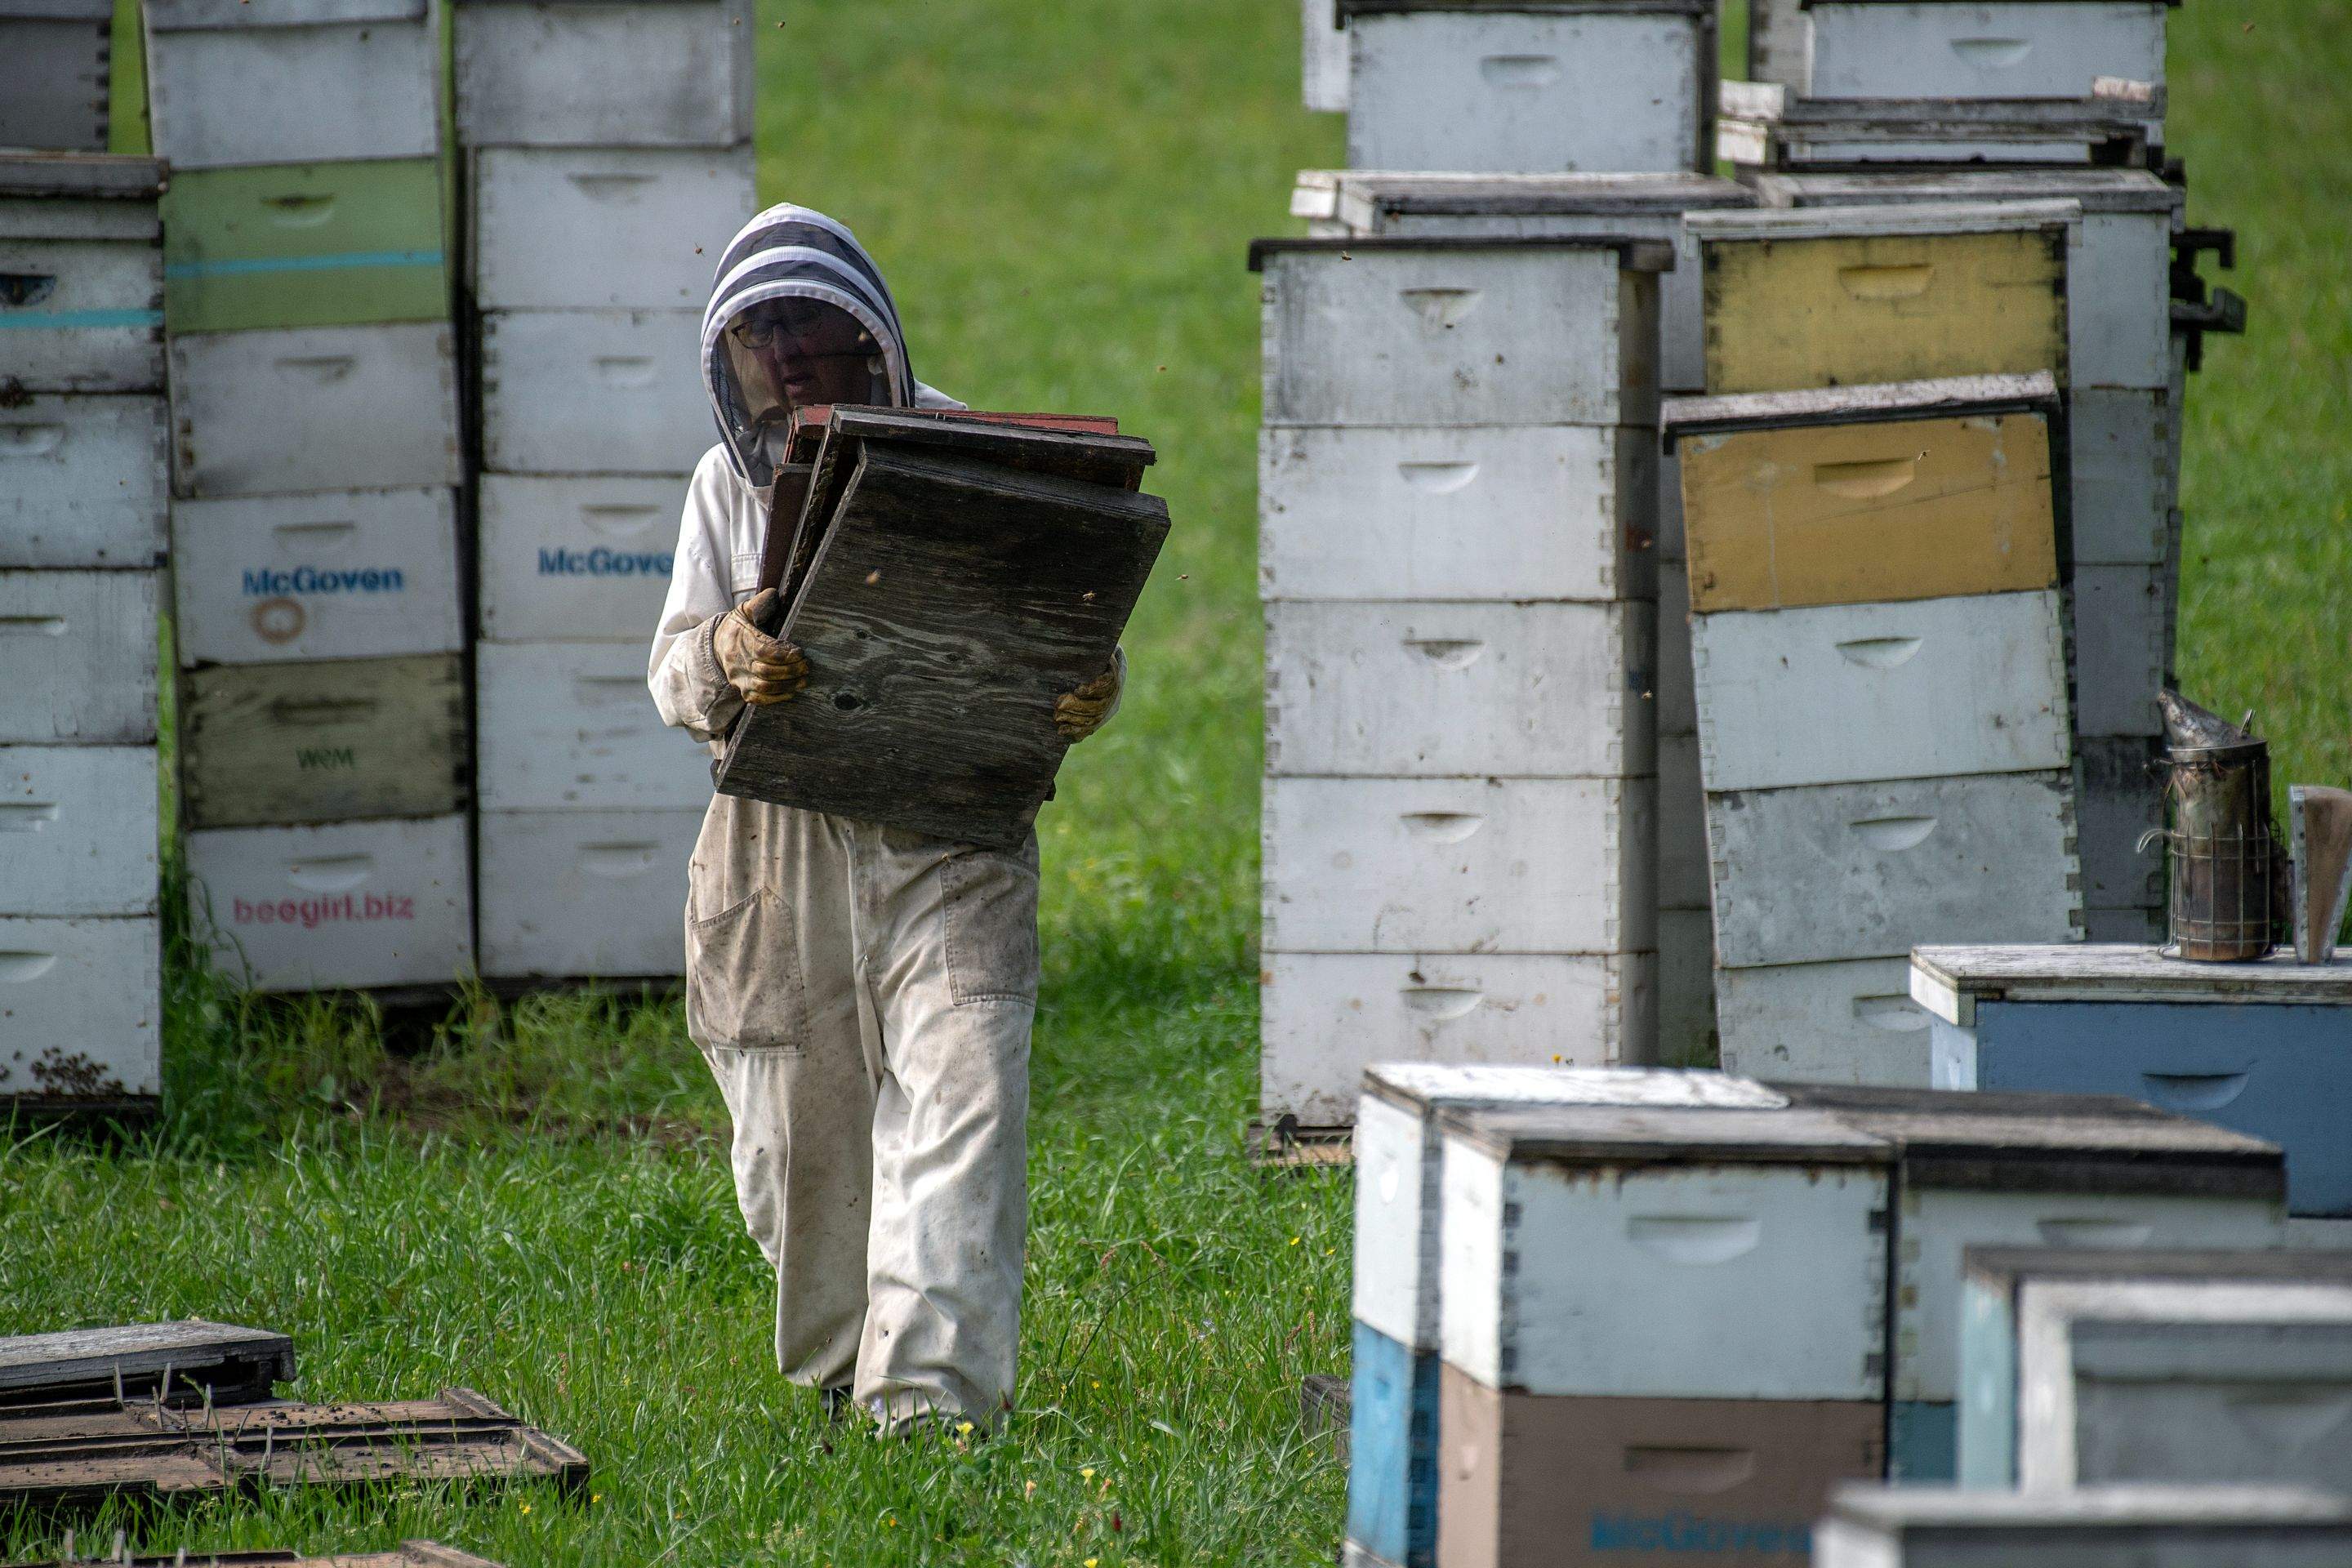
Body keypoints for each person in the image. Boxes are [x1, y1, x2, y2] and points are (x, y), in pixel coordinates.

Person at [648, 205, 1124, 1432]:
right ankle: (840, 1378)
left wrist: (1086, 680)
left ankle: (927, 1416)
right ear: (735, 359)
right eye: (767, 339)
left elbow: (1064, 612)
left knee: (962, 1111)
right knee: (796, 1161)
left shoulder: (978, 456)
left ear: (871, 336)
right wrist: (726, 649)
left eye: (813, 329)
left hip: (950, 830)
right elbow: (671, 674)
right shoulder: (723, 486)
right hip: (776, 852)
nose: (794, 358)